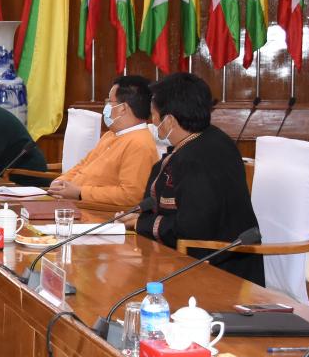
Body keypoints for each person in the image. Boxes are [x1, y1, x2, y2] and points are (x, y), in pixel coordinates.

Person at [135, 73, 263, 284]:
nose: (152, 121)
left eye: (154, 115)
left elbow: (192, 231)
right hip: (195, 260)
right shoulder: (206, 138)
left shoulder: (198, 159)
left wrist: (143, 223)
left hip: (223, 275)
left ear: (169, 120)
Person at [48, 76, 160, 207]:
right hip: (71, 205)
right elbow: (83, 165)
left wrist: (80, 192)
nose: (106, 106)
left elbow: (131, 196)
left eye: (110, 102)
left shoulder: (140, 144)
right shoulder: (111, 135)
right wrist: (60, 181)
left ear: (123, 108)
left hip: (95, 213)